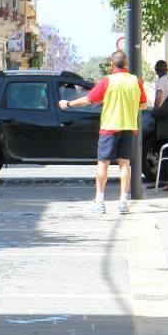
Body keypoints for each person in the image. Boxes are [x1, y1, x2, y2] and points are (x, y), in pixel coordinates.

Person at [59, 50, 147, 214]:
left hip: (110, 127)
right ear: (126, 64)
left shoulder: (108, 81)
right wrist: (129, 105)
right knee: (125, 164)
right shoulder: (136, 81)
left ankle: (100, 202)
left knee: (103, 164)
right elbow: (143, 105)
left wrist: (68, 104)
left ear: (112, 64)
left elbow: (88, 100)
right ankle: (123, 203)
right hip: (129, 127)